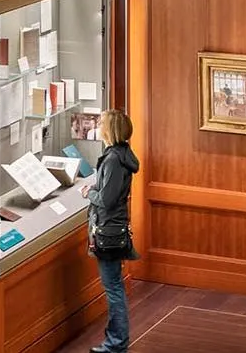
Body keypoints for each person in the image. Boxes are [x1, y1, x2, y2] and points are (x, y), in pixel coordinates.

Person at [88, 109, 140, 353]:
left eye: (101, 123)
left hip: (108, 230)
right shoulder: (122, 155)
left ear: (108, 130)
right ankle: (116, 342)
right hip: (115, 227)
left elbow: (106, 200)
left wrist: (89, 192)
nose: (98, 127)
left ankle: (116, 344)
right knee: (115, 286)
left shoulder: (111, 160)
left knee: (114, 289)